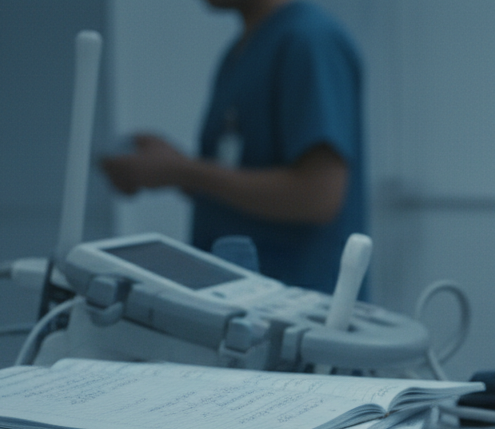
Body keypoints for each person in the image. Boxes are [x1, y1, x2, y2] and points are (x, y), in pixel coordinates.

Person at [101, 0, 365, 294]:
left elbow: (319, 196)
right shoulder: (241, 51)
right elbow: (241, 180)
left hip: (299, 311)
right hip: (244, 307)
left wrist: (182, 171)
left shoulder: (309, 40)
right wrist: (168, 170)